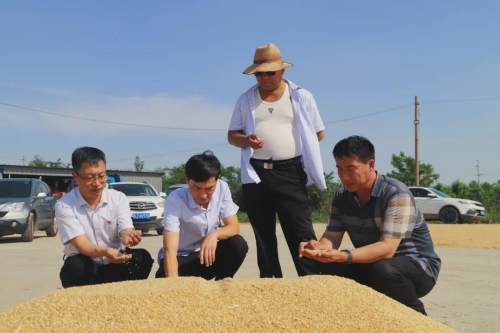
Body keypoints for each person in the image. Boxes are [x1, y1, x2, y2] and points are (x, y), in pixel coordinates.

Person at [299, 136, 441, 314]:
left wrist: (343, 256)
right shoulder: (342, 197)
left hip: (418, 268)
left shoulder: (396, 194)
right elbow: (332, 237)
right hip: (373, 263)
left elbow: (387, 248)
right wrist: (317, 249)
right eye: (340, 169)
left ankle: (419, 319)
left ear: (371, 164)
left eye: (351, 169)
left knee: (383, 270)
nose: (344, 176)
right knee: (313, 261)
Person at [228, 42, 327, 278]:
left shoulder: (301, 96)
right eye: (259, 73)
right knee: (263, 233)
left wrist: (296, 146)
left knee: (300, 230)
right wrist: (246, 140)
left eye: (270, 72)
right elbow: (232, 136)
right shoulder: (245, 100)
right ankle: (271, 283)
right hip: (256, 172)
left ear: (282, 71)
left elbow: (319, 133)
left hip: (290, 171)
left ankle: (312, 280)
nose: (264, 78)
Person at [56, 147, 153, 288]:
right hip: (86, 267)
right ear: (75, 176)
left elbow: (125, 228)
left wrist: (129, 236)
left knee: (142, 258)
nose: (97, 183)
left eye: (101, 176)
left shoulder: (118, 198)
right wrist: (105, 251)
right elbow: (83, 245)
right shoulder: (65, 205)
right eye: (90, 178)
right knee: (75, 267)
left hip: (114, 262)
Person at [155, 151, 248, 280]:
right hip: (183, 258)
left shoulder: (222, 188)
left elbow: (234, 227)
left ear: (217, 180)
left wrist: (214, 234)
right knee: (162, 276)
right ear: (187, 181)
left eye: (210, 189)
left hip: (207, 255)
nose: (203, 195)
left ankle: (222, 287)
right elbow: (169, 248)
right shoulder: (175, 199)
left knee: (237, 244)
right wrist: (173, 288)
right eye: (198, 188)